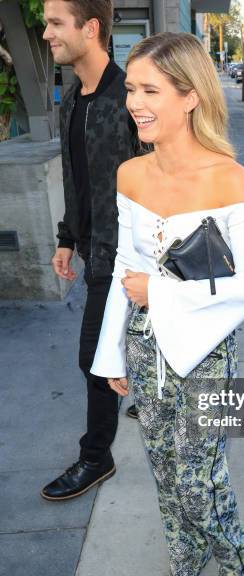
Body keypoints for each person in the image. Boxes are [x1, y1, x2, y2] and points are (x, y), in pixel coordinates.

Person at [91, 32, 244, 576]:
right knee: (162, 463)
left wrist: (161, 293)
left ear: (190, 96)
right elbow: (124, 266)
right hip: (145, 346)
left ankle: (237, 554)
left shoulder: (230, 179)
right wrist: (113, 353)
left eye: (151, 90)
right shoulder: (131, 175)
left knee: (201, 472)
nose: (135, 102)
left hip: (207, 349)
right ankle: (185, 544)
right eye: (132, 90)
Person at [40, 0, 140, 502]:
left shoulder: (131, 97)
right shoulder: (72, 97)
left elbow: (161, 180)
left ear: (91, 27)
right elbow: (77, 178)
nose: (46, 34)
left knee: (95, 358)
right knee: (114, 354)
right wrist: (65, 237)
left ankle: (96, 458)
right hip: (94, 249)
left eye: (56, 23)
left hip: (129, 257)